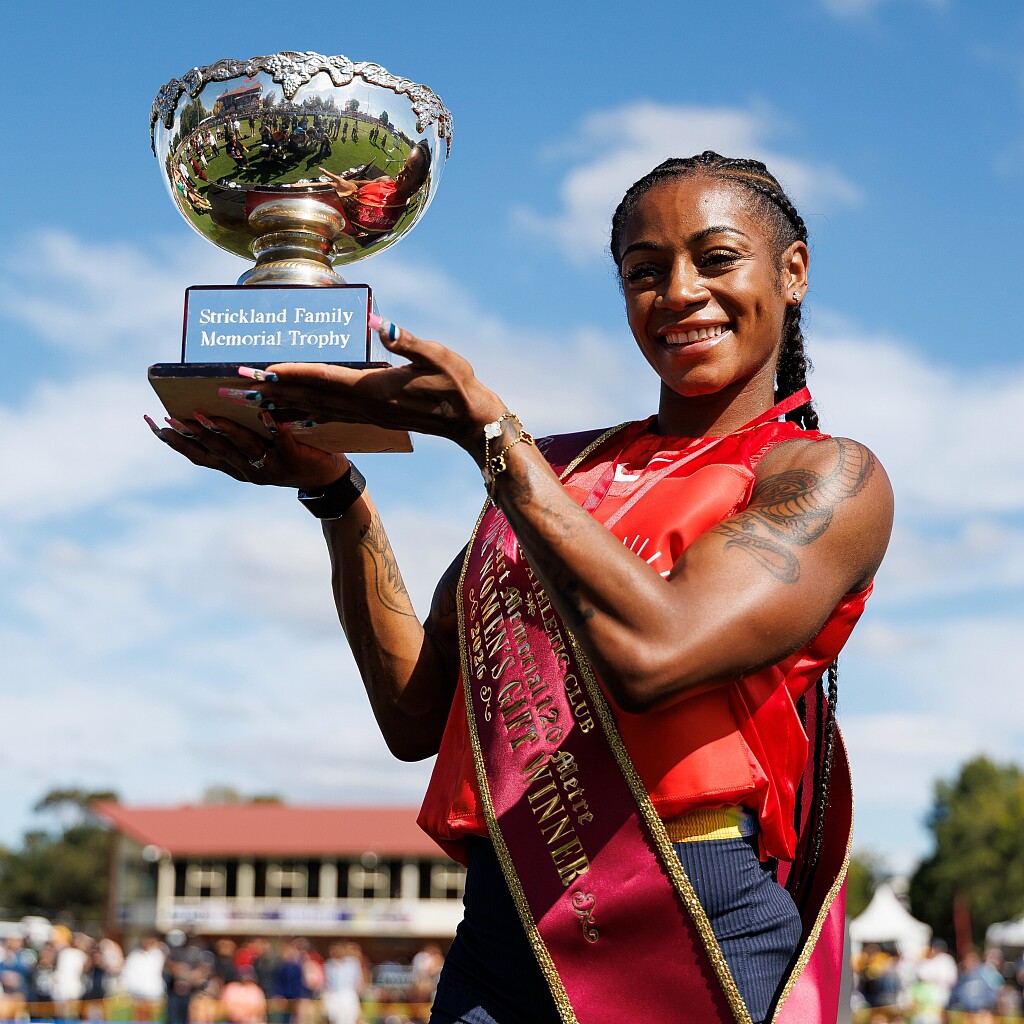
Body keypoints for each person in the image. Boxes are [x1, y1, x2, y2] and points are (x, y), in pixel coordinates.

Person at [148, 151, 893, 1024]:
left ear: (792, 271)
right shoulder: (561, 469)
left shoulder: (824, 476)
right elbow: (413, 717)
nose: (680, 293)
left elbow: (657, 654)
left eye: (717, 258)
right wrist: (337, 494)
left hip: (689, 912)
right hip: (504, 927)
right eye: (644, 272)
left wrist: (492, 438)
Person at [319, 140, 431, 234]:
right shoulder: (386, 180)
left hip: (332, 228)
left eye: (408, 174)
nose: (400, 173)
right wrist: (351, 186)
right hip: (327, 207)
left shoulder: (397, 218)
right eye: (404, 166)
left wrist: (347, 201)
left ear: (415, 187)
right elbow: (356, 184)